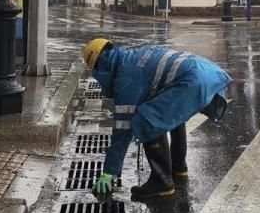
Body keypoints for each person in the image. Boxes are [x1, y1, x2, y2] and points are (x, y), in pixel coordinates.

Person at [82, 39, 232, 200]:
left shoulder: (126, 77)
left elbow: (123, 127)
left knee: (146, 118)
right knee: (169, 113)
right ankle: (178, 168)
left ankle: (161, 182)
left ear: (99, 68)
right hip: (205, 71)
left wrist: (109, 171)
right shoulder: (132, 56)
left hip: (194, 81)